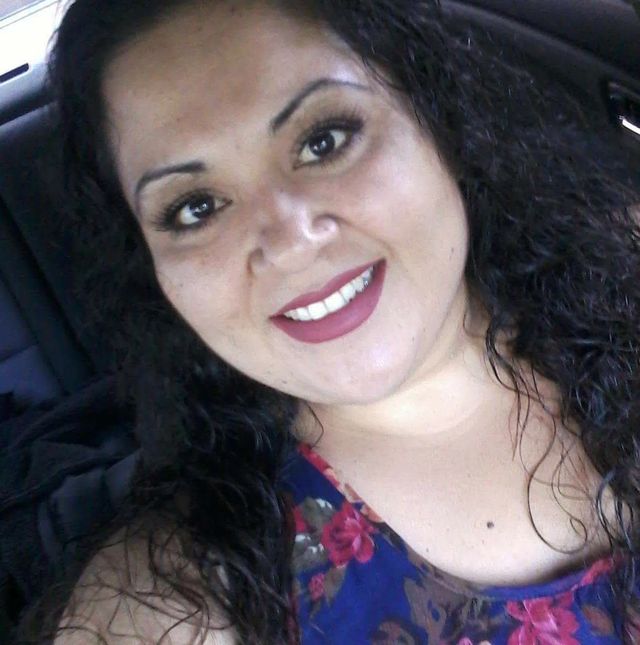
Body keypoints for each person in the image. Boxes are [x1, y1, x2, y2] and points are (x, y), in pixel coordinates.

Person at [18, 0, 640, 642]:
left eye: (324, 141)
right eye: (196, 208)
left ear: (435, 117)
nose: (290, 242)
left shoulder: (626, 266)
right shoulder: (169, 609)